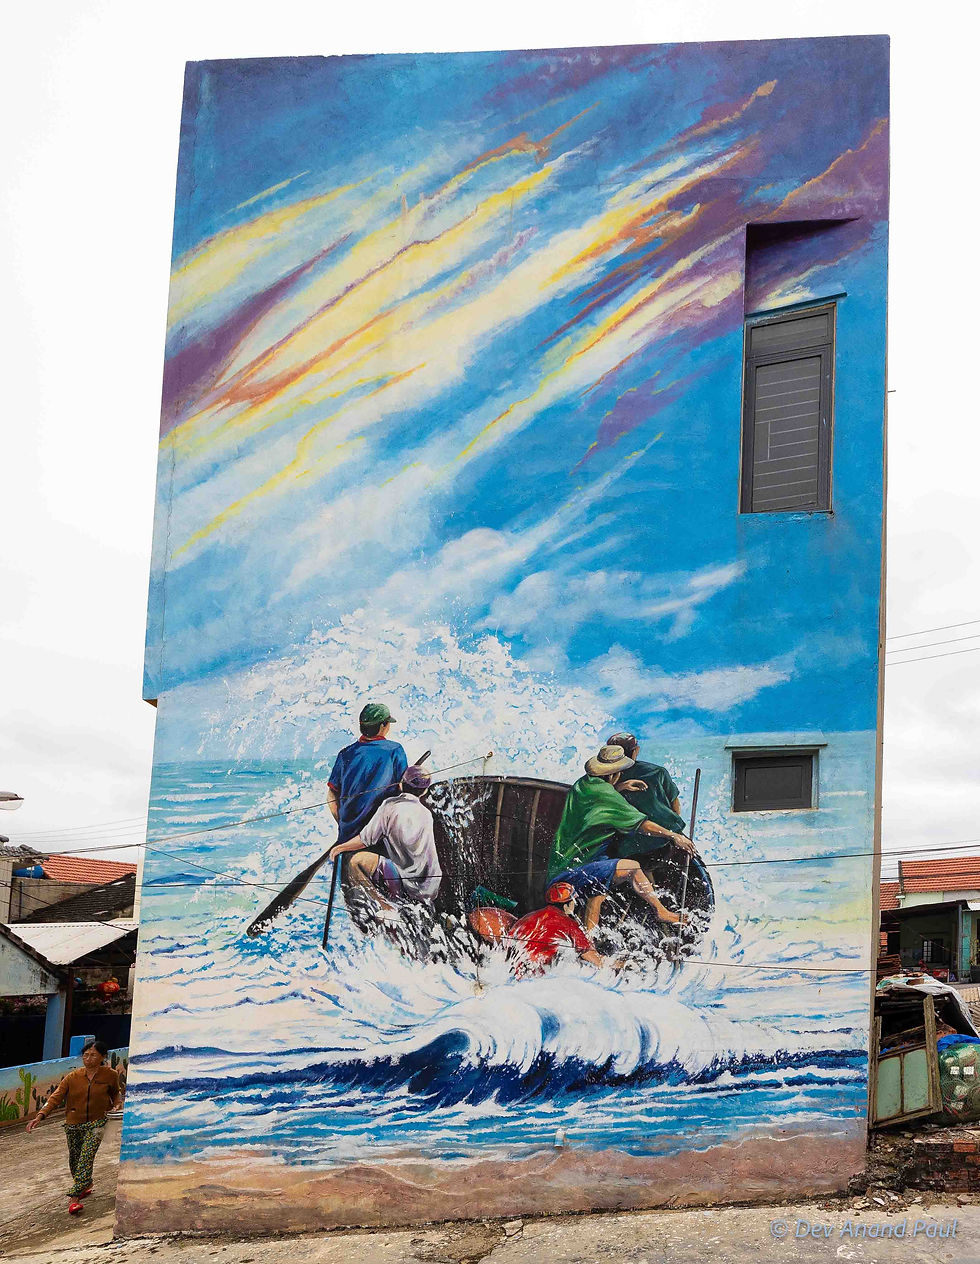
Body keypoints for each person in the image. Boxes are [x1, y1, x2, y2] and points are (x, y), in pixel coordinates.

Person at [548, 743, 696, 933]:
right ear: (612, 774)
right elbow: (642, 825)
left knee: (597, 893)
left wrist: (620, 787)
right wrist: (673, 835)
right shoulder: (606, 795)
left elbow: (596, 801)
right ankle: (662, 912)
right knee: (633, 868)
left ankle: (589, 941)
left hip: (566, 863)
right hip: (578, 868)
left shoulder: (582, 785)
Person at [26, 1039, 123, 1215]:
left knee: (86, 1157)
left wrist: (117, 1105)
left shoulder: (110, 1075)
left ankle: (74, 1198)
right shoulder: (72, 1077)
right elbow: (55, 1097)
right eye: (85, 1055)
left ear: (102, 1057)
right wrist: (40, 1116)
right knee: (75, 1160)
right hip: (73, 1124)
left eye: (93, 1055)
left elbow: (115, 1093)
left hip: (97, 1122)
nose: (88, 1058)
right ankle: (86, 1183)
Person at [328, 765, 441, 906]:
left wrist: (339, 848)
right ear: (424, 791)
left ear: (400, 784)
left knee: (355, 862)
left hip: (405, 883)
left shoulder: (389, 806)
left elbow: (365, 839)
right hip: (429, 887)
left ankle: (385, 908)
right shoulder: (426, 814)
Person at [327, 702, 408, 846]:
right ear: (383, 726)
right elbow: (403, 790)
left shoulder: (345, 753)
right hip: (381, 832)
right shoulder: (395, 750)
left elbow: (331, 796)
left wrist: (344, 823)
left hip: (348, 834)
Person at [605, 731, 687, 857]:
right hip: (663, 836)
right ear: (636, 751)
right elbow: (675, 805)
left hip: (627, 844)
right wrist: (674, 829)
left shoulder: (605, 777)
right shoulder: (658, 772)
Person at [507, 880, 607, 972]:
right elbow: (593, 958)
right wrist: (618, 965)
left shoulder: (528, 917)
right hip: (538, 975)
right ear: (567, 905)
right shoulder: (569, 924)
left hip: (513, 968)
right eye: (573, 902)